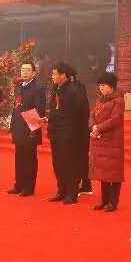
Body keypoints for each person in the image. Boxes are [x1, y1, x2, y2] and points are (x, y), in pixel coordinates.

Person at [46, 62, 84, 204]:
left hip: (68, 134)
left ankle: (72, 193)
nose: (53, 76)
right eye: (53, 73)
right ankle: (61, 190)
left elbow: (76, 114)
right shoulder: (55, 89)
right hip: (55, 132)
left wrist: (71, 132)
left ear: (63, 75)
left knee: (69, 163)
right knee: (58, 163)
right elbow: (54, 109)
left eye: (55, 73)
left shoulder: (73, 91)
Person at [8, 59, 46, 196]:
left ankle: (29, 188)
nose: (24, 72)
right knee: (19, 158)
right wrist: (12, 126)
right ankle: (19, 185)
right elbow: (15, 108)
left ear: (34, 73)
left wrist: (32, 129)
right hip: (18, 127)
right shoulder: (19, 87)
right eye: (22, 70)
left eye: (27, 70)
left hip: (30, 128)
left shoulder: (38, 88)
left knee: (29, 159)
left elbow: (39, 109)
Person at [89, 72, 125, 212]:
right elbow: (91, 115)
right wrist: (93, 126)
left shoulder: (118, 101)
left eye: (103, 85)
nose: (101, 88)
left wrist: (99, 127)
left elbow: (115, 120)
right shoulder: (100, 100)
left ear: (111, 86)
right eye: (100, 86)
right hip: (99, 139)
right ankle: (104, 201)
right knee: (103, 172)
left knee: (113, 173)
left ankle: (113, 202)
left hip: (112, 141)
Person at [71, 68, 92, 197]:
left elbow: (80, 109)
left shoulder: (75, 89)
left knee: (79, 158)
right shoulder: (78, 87)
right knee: (82, 158)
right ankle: (86, 184)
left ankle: (81, 184)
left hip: (79, 130)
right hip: (81, 129)